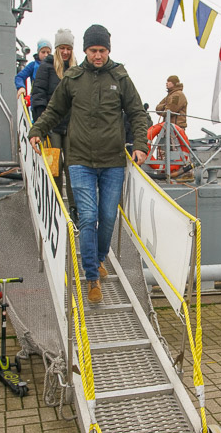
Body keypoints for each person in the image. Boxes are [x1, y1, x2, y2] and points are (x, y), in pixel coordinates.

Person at [27, 24, 149, 304]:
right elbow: (54, 109)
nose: (98, 56)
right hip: (80, 160)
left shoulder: (120, 77)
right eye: (93, 51)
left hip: (113, 161)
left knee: (107, 218)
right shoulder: (72, 78)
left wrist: (140, 145)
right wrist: (38, 130)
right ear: (85, 50)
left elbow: (136, 113)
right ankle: (92, 277)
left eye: (102, 50)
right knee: (88, 218)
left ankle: (99, 256)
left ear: (109, 50)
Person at [31, 28, 76, 193]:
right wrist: (41, 125)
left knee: (73, 166)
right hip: (52, 125)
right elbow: (38, 95)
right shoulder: (46, 67)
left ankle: (73, 206)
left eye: (68, 48)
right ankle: (56, 202)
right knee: (54, 165)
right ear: (57, 48)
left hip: (71, 125)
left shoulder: (75, 70)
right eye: (62, 48)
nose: (65, 52)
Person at [15, 39, 50, 103]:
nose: (46, 55)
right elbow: (19, 76)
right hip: (36, 100)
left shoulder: (55, 66)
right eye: (43, 52)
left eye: (48, 52)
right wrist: (21, 87)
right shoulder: (33, 65)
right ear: (38, 52)